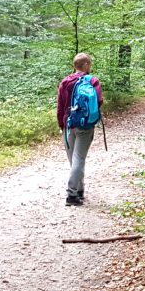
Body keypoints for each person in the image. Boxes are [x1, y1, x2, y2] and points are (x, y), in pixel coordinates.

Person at [56, 53, 104, 206]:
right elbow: (99, 101)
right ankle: (72, 194)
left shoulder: (65, 82)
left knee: (74, 160)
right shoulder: (92, 81)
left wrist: (61, 125)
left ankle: (79, 190)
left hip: (68, 125)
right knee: (79, 159)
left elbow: (60, 106)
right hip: (85, 126)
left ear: (74, 66)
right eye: (89, 64)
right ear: (85, 65)